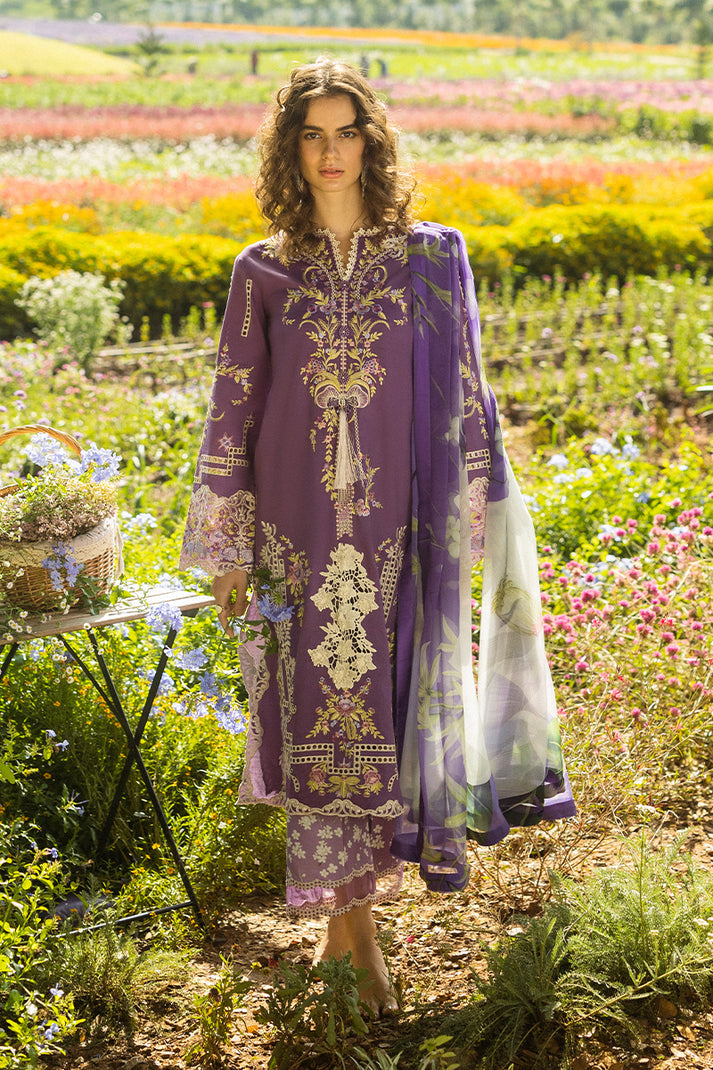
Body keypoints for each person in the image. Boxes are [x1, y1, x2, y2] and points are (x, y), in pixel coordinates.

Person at [179, 58, 575, 1015]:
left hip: (403, 527)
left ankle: (343, 927)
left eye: (346, 132)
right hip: (295, 530)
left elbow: (469, 388)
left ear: (371, 142)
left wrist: (474, 509)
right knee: (316, 718)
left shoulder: (429, 258)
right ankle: (358, 943)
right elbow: (234, 405)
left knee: (389, 718)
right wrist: (228, 545)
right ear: (289, 148)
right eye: (311, 135)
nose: (330, 152)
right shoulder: (262, 270)